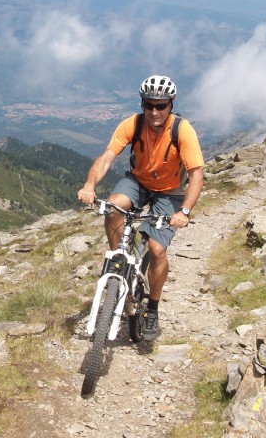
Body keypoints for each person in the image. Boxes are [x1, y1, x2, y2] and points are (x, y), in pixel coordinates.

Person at [78, 75, 204, 340]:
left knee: (157, 249)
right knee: (113, 207)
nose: (155, 111)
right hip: (138, 181)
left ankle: (153, 309)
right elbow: (106, 158)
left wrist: (184, 212)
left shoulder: (182, 130)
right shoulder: (132, 125)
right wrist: (90, 185)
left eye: (161, 106)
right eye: (149, 105)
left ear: (171, 104)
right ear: (142, 104)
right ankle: (118, 261)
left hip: (170, 191)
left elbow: (196, 174)